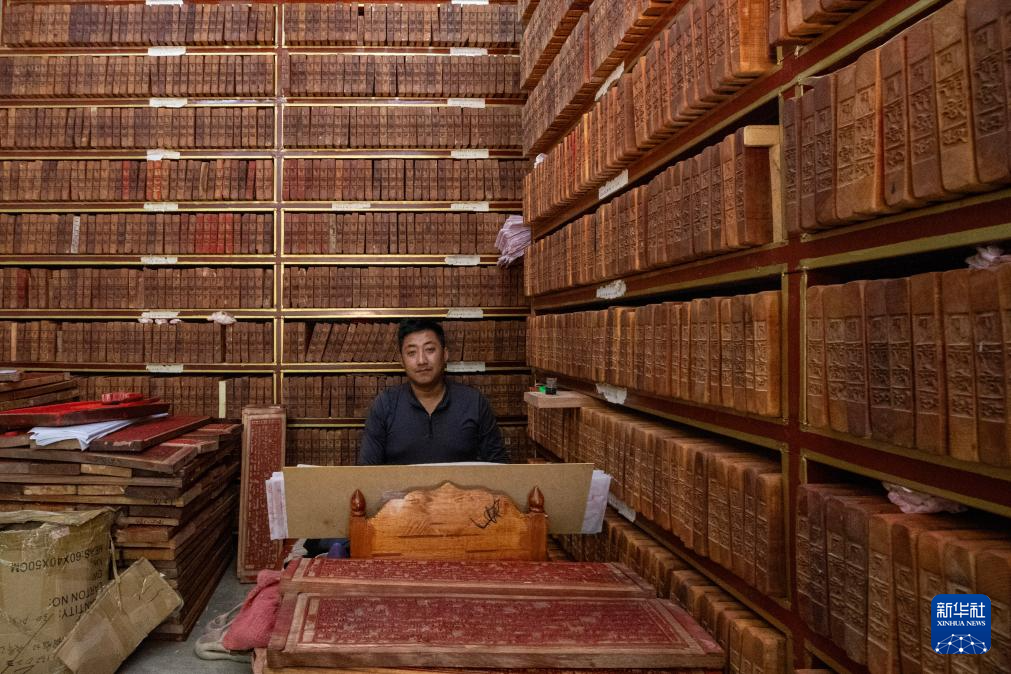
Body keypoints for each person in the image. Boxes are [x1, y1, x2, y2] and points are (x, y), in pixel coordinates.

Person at [357, 318, 508, 465]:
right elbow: (367, 470)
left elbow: (499, 467)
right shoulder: (385, 405)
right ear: (401, 360)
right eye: (412, 353)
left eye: (430, 350)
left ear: (445, 354)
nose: (421, 360)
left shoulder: (473, 402)